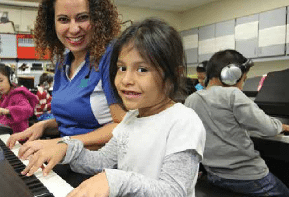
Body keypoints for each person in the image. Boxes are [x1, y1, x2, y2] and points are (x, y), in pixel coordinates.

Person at [22, 18, 206, 197]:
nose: (126, 80)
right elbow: (103, 160)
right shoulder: (131, 118)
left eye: (142, 69)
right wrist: (65, 149)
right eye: (121, 68)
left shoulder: (184, 121)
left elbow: (173, 191)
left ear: (175, 74)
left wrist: (115, 181)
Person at [6, 0, 126, 171]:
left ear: (99, 19)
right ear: (52, 23)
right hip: (66, 158)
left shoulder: (110, 56)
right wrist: (43, 126)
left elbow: (123, 126)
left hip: (99, 167)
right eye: (63, 19)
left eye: (82, 18)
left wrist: (64, 142)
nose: (74, 28)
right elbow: (76, 119)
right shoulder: (64, 61)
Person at [185, 49, 289, 196]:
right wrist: (282, 126)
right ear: (231, 75)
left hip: (215, 175)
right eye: (244, 79)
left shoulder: (192, 99)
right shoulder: (233, 94)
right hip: (248, 178)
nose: (242, 85)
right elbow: (268, 128)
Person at [0, 63, 39, 134]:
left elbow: (27, 109)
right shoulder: (3, 95)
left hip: (18, 136)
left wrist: (7, 111)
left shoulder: (17, 95)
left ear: (11, 79)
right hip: (5, 131)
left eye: (1, 80)